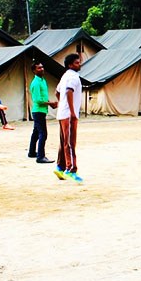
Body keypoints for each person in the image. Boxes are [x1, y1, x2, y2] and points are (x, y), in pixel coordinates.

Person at [53, 53, 83, 183]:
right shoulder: (73, 77)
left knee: (64, 141)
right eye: (77, 62)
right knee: (70, 142)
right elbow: (69, 92)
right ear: (70, 65)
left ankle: (60, 166)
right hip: (68, 115)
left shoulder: (65, 76)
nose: (79, 64)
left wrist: (62, 104)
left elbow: (57, 92)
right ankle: (71, 169)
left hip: (62, 113)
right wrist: (72, 111)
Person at [28, 61, 58, 164]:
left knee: (36, 132)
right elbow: (37, 100)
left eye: (42, 67)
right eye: (39, 68)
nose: (42, 69)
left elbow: (44, 96)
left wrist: (50, 103)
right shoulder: (36, 83)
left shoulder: (43, 80)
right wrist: (50, 103)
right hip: (38, 111)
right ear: (34, 71)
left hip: (41, 111)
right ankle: (40, 157)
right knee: (43, 134)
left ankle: (32, 152)